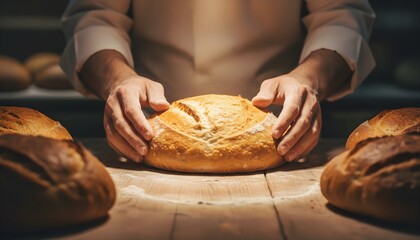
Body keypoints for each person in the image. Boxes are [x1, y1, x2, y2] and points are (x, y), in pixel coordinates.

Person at [60, 0, 375, 163]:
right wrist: (118, 78)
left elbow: (340, 14)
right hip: (147, 122)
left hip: (281, 122)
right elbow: (95, 14)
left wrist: (309, 77)